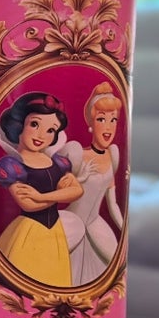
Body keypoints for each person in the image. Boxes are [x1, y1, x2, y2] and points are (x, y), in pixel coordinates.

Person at [0, 90, 83, 286]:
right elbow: (27, 204)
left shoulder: (58, 162)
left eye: (51, 130)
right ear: (19, 125)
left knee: (54, 283)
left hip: (54, 234)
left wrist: (41, 197)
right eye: (35, 124)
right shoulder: (12, 165)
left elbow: (77, 191)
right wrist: (59, 194)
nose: (42, 135)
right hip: (28, 233)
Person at [59, 82, 124, 284]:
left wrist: (124, 229)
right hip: (73, 222)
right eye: (101, 119)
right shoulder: (78, 154)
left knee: (107, 269)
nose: (108, 126)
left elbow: (112, 202)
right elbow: (58, 189)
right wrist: (80, 179)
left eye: (113, 119)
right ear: (91, 122)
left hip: (95, 223)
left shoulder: (112, 155)